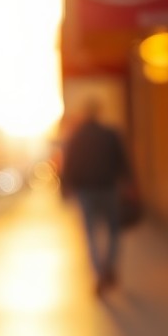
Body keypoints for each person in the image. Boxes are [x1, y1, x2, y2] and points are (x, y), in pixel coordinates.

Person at [60, 102, 132, 294]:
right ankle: (109, 266)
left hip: (86, 190)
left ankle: (99, 273)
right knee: (113, 230)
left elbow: (68, 164)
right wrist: (129, 182)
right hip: (108, 187)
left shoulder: (76, 137)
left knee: (91, 233)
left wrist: (66, 187)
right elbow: (123, 160)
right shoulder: (110, 134)